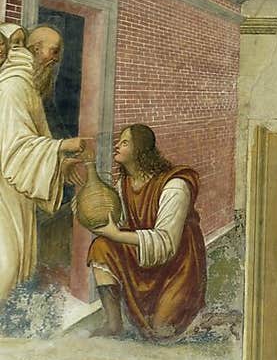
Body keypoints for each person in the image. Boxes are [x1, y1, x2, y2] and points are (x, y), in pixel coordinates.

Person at [87, 124, 207, 339]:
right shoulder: (124, 184)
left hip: (178, 267)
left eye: (124, 142)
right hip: (143, 259)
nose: (117, 146)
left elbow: (166, 242)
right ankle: (113, 323)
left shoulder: (175, 186)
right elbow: (120, 220)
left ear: (140, 149)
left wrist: (116, 235)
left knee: (164, 331)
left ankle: (214, 319)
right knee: (100, 247)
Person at [0, 25, 87, 306]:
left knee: (19, 262)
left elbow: (35, 139)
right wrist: (63, 146)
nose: (56, 59)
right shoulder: (13, 86)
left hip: (16, 190)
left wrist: (59, 164)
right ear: (36, 50)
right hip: (4, 190)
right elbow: (14, 146)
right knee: (7, 261)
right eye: (54, 52)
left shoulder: (28, 84)